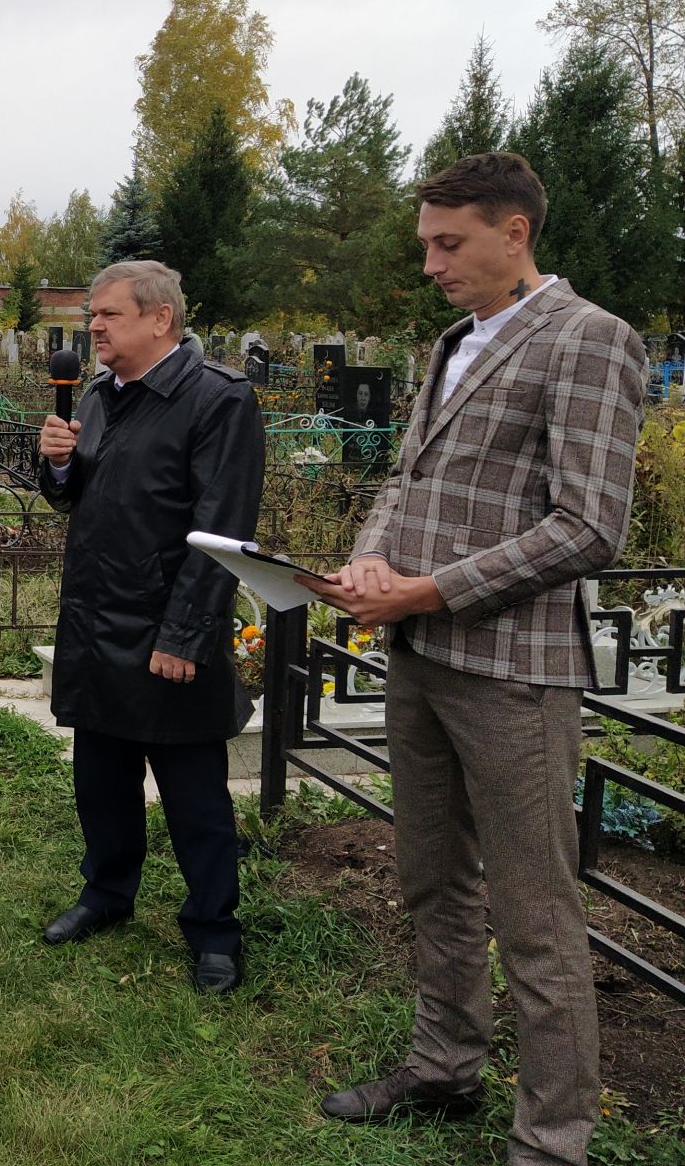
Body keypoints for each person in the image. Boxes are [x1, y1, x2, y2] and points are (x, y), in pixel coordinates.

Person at [306, 153, 644, 1166]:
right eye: (426, 244)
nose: (430, 265)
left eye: (448, 244)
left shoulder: (590, 340)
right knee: (431, 880)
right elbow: (411, 481)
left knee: (536, 917)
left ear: (516, 233)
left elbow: (590, 527)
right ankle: (444, 1068)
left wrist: (430, 590)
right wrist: (372, 557)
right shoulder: (454, 341)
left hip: (514, 671)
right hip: (420, 656)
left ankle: (552, 1140)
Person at [35, 260, 262, 996]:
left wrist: (185, 636)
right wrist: (59, 466)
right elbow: (79, 499)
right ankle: (107, 892)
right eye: (92, 316)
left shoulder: (216, 400)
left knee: (194, 794)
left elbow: (222, 529)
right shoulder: (99, 396)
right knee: (101, 781)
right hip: (98, 621)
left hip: (167, 629)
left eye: (109, 315)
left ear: (160, 319)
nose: (93, 327)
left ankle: (213, 930)